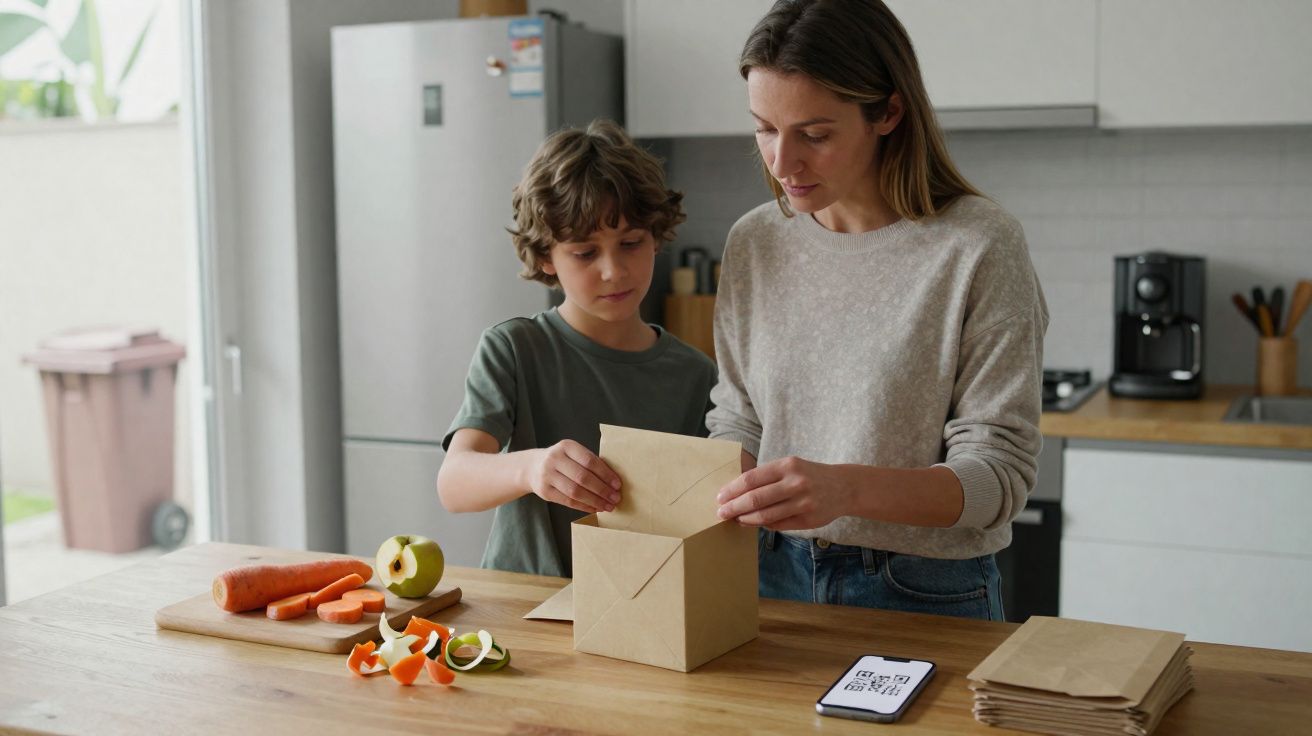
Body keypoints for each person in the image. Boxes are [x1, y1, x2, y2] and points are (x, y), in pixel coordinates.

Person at [709, 0, 1048, 621]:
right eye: (763, 128)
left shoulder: (977, 244)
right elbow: (740, 419)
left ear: (888, 112)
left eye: (814, 134)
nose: (782, 164)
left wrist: (845, 489)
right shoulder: (754, 241)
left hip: (924, 588)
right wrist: (710, 487)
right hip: (763, 571)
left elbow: (999, 476)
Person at [438, 119, 716, 578]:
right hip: (523, 606)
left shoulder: (696, 376)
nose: (614, 270)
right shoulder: (513, 348)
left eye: (631, 243)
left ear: (656, 238)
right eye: (585, 253)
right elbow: (454, 484)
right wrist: (531, 470)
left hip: (643, 613)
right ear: (546, 255)